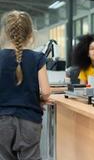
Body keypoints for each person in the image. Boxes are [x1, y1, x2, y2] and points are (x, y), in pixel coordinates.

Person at [0, 10, 51, 160]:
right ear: (30, 35)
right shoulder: (38, 58)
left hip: (2, 121)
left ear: (5, 33)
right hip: (30, 120)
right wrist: (41, 98)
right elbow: (46, 91)